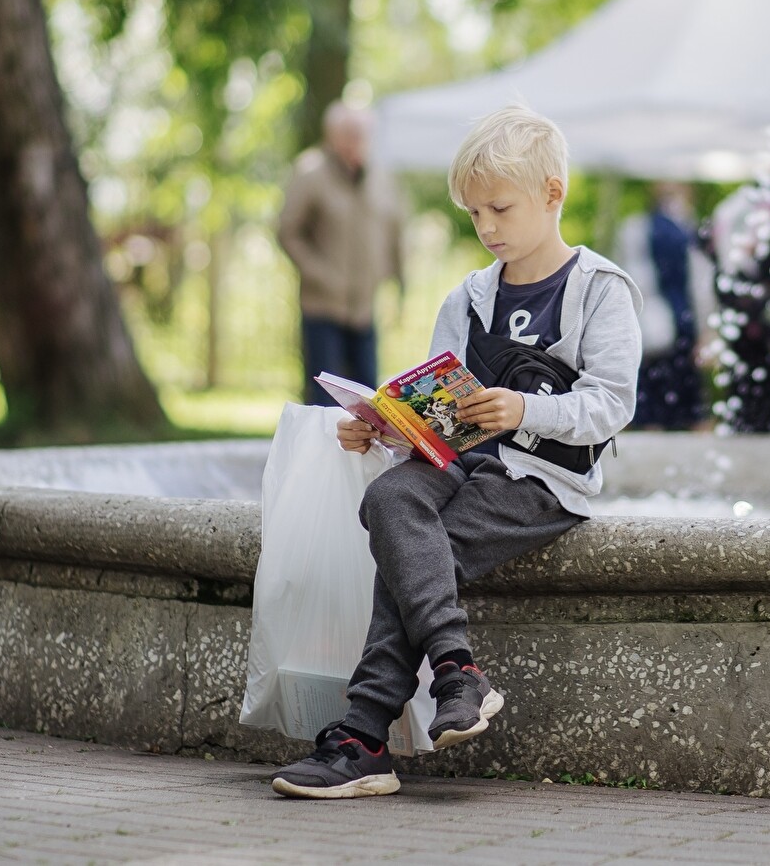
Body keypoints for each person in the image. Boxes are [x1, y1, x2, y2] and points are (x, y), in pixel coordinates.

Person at [269, 104, 642, 799]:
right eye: (474, 214)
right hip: (460, 464)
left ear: (553, 193)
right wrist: (381, 428)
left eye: (500, 208)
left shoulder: (599, 290)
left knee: (413, 551)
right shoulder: (467, 299)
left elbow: (613, 402)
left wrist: (525, 408)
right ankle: (455, 670)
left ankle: (363, 738)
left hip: (539, 482)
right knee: (389, 496)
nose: (487, 227)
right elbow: (438, 413)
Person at [278, 101, 405, 405]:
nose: (355, 141)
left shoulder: (382, 178)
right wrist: (320, 275)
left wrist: (399, 280)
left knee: (368, 400)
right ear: (331, 135)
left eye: (361, 134)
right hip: (322, 307)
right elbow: (288, 232)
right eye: (348, 133)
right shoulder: (310, 172)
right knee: (324, 400)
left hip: (365, 308)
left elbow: (396, 231)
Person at [619, 183, 709, 430]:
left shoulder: (638, 228)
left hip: (655, 320)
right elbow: (699, 281)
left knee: (654, 396)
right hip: (680, 321)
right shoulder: (686, 230)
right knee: (680, 400)